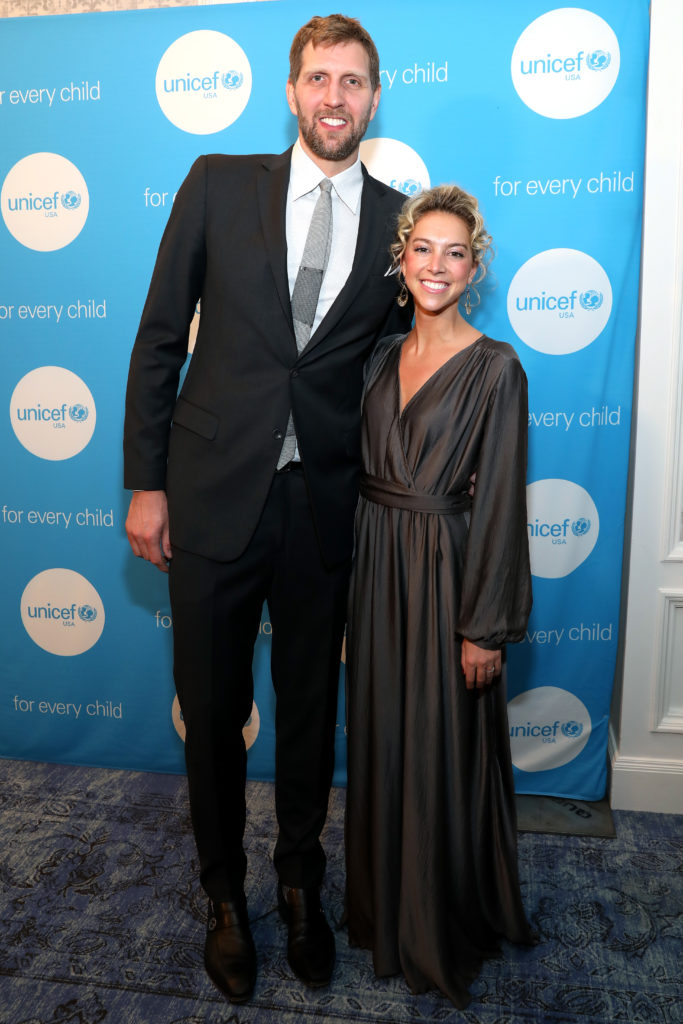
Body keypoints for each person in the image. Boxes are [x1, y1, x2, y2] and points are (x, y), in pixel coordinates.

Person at [123, 14, 411, 1005]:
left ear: (374, 99)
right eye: (319, 78)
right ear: (291, 92)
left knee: (307, 709)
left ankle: (297, 882)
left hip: (323, 508)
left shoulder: (395, 222)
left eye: (354, 82)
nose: (335, 97)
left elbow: (409, 359)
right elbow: (160, 337)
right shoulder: (216, 183)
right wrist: (146, 482)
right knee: (209, 712)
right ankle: (220, 896)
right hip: (208, 499)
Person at [344, 184, 536, 1008]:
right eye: (422, 248)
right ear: (400, 257)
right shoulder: (379, 357)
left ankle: (438, 919)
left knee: (440, 744)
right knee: (385, 736)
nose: (436, 265)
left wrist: (483, 627)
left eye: (454, 252)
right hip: (376, 564)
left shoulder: (496, 369)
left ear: (473, 267)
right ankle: (385, 904)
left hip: (445, 576)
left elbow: (498, 501)